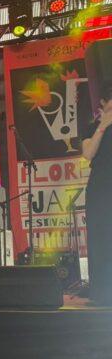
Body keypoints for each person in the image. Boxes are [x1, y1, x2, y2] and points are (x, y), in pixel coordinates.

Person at [81, 86, 112, 305]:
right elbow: (88, 153)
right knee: (99, 239)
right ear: (103, 103)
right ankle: (101, 293)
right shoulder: (92, 127)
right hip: (100, 188)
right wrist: (103, 125)